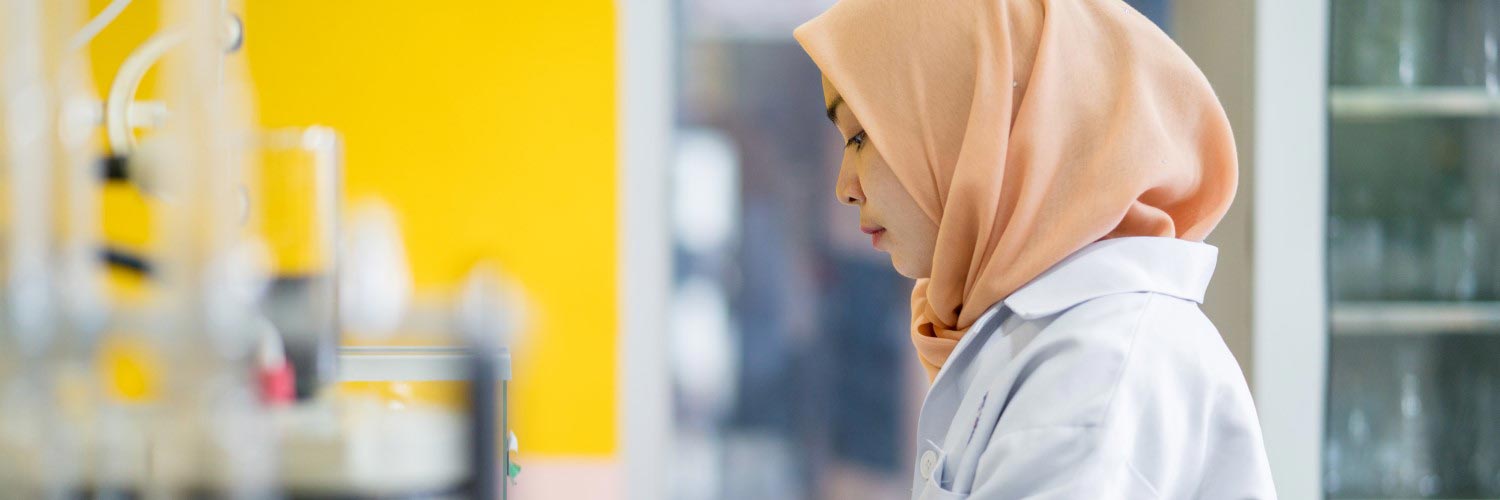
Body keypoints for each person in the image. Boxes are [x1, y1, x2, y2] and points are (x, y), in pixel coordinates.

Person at [793, 0, 1276, 498]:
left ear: (970, 121)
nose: (845, 187)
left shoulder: (1093, 370)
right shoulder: (1046, 337)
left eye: (860, 137)